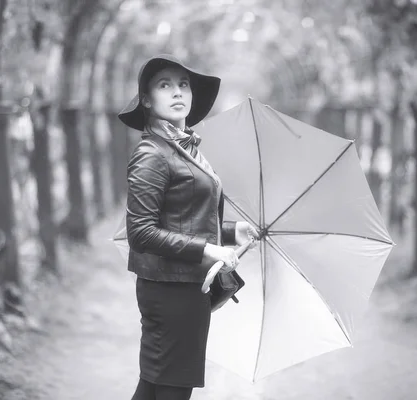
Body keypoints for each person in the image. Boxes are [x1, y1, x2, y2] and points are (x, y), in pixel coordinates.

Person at [118, 54, 258, 400]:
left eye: (183, 85)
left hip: (184, 286)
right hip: (169, 291)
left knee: (155, 385)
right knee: (172, 388)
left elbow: (183, 216)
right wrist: (210, 249)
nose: (178, 92)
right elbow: (141, 232)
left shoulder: (182, 148)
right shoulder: (153, 153)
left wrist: (231, 231)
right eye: (165, 85)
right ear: (147, 100)